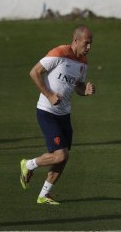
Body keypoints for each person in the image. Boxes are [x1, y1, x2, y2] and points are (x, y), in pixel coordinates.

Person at [19, 25, 96, 205]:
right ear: (76, 40)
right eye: (86, 43)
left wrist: (86, 90)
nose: (89, 47)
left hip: (64, 115)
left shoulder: (83, 62)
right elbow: (34, 72)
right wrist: (49, 95)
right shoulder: (59, 52)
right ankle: (28, 164)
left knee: (64, 157)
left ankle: (44, 195)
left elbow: (77, 86)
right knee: (60, 155)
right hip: (47, 111)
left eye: (91, 44)